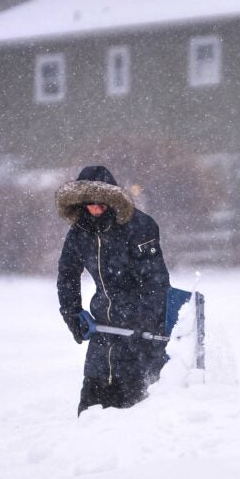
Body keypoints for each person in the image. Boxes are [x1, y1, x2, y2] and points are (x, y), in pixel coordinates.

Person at [55, 165, 170, 415]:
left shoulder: (139, 226)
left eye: (101, 202)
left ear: (112, 200)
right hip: (102, 331)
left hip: (139, 335)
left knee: (134, 415)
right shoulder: (79, 234)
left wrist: (146, 320)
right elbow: (67, 275)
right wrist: (71, 313)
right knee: (89, 415)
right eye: (89, 202)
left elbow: (155, 280)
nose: (95, 208)